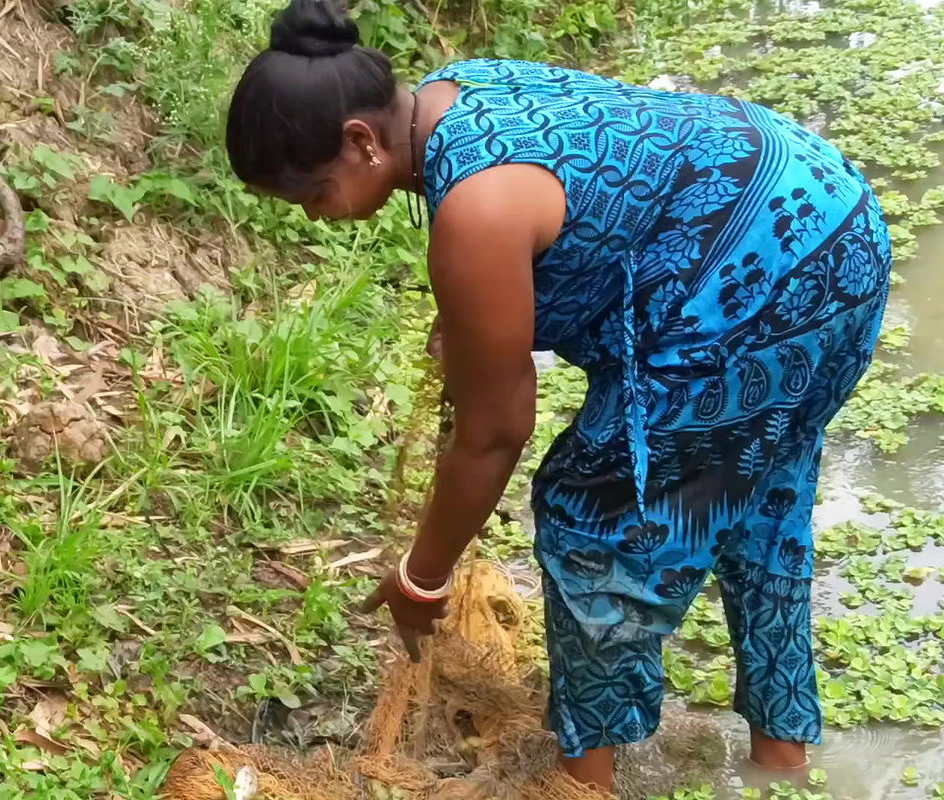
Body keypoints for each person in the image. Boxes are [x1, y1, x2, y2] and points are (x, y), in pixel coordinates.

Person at [223, 0, 893, 791]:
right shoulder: (453, 92)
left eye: (315, 194)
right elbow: (597, 204)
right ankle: (782, 764)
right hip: (832, 217)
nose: (317, 215)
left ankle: (583, 783)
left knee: (588, 515)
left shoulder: (475, 205)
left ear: (361, 143)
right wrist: (471, 316)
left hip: (767, 271)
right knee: (762, 488)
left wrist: (422, 576)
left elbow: (495, 431)